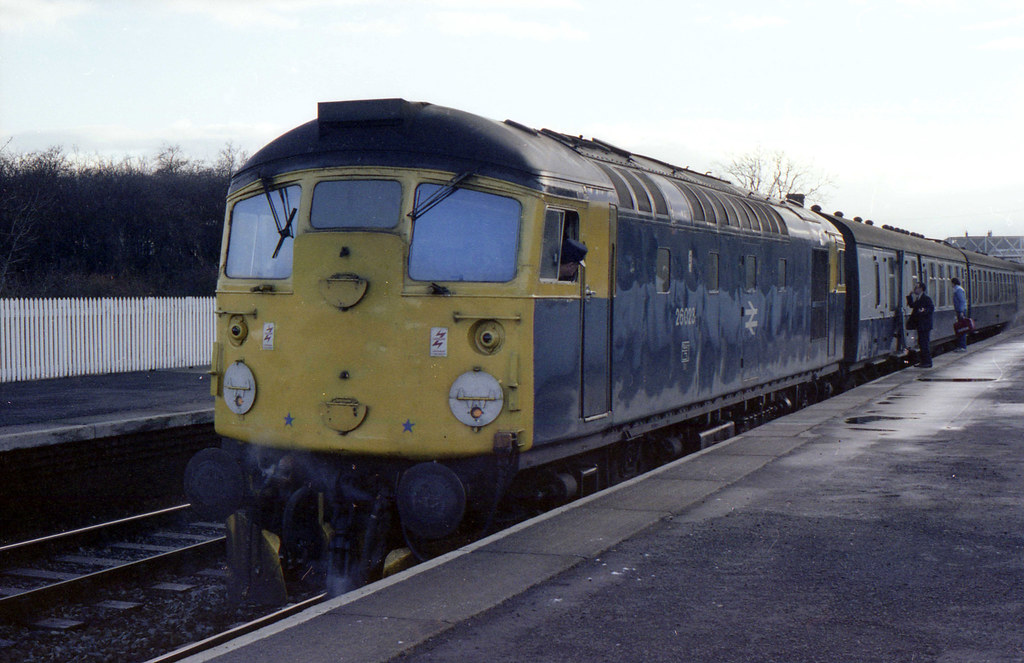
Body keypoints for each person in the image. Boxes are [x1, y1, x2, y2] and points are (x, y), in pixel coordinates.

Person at [907, 282, 934, 367]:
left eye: (916, 287)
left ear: (921, 289)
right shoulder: (919, 298)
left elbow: (931, 308)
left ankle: (927, 362)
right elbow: (912, 306)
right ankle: (923, 362)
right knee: (921, 343)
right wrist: (909, 296)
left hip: (925, 325)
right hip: (921, 325)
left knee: (924, 343)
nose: (915, 289)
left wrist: (924, 311)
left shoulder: (926, 298)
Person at [952, 277, 968, 352]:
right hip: (960, 311)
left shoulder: (958, 290)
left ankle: (962, 346)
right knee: (960, 329)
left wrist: (961, 312)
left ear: (953, 283)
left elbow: (962, 301)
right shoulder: (958, 289)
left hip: (960, 312)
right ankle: (961, 346)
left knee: (961, 329)